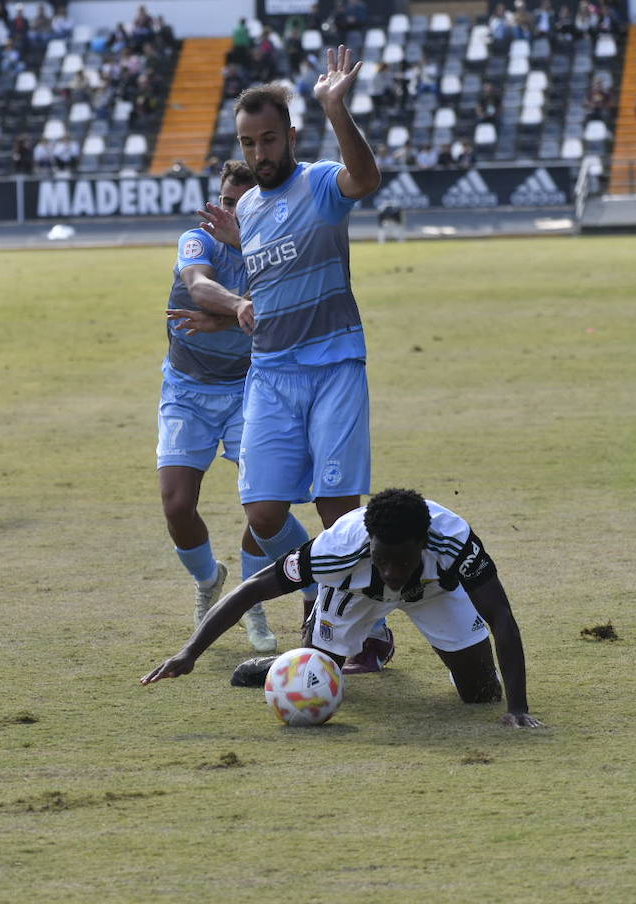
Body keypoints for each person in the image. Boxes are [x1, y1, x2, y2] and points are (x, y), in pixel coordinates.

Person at [194, 57, 390, 674]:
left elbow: (366, 178)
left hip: (333, 365)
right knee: (264, 514)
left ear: (291, 137)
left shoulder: (322, 183)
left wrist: (336, 107)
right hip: (271, 375)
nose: (259, 151)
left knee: (339, 509)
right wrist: (229, 294)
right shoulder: (247, 210)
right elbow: (269, 295)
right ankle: (322, 588)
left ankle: (366, 631)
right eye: (249, 142)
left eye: (269, 139)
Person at [141, 488, 543, 729]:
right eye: (382, 560)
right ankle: (287, 661)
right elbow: (251, 591)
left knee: (483, 695)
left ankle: (399, 646)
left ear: (424, 543)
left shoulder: (453, 541)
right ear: (369, 541)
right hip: (353, 594)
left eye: (401, 562)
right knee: (310, 678)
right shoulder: (335, 550)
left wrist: (519, 709)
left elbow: (501, 618)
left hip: (434, 591)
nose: (390, 572)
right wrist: (190, 652)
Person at [160, 161, 275, 653]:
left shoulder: (270, 247)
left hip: (249, 388)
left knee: (266, 502)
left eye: (241, 205)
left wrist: (221, 321)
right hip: (185, 388)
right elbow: (197, 285)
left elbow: (277, 305)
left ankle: (250, 601)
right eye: (225, 201)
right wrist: (234, 311)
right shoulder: (197, 239)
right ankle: (209, 579)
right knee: (177, 505)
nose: (228, 212)